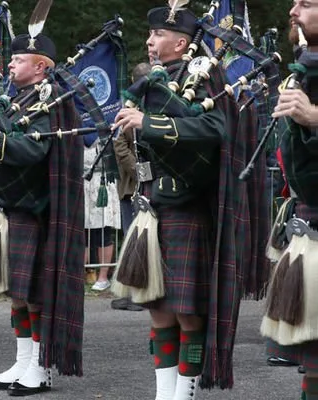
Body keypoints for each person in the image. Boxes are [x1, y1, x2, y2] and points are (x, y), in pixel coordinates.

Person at [113, 5, 244, 398]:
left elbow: (213, 126)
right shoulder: (153, 81)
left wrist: (146, 123)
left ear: (181, 42)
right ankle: (164, 393)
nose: (149, 42)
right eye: (150, 35)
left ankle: (184, 394)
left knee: (187, 310)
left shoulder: (201, 75)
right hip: (151, 203)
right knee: (158, 306)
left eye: (157, 35)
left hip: (186, 202)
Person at [0, 32, 85, 395]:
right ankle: (22, 361)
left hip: (38, 209)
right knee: (16, 291)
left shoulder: (51, 101)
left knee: (34, 292)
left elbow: (31, 152)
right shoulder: (16, 97)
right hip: (10, 203)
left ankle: (41, 366)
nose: (9, 64)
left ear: (40, 67)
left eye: (18, 60)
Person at [260, 2, 318, 399]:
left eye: (306, 3)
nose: (293, 10)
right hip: (308, 221)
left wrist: (314, 118)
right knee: (312, 361)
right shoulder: (304, 68)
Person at [110, 62, 151, 311]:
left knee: (146, 241)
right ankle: (131, 291)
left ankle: (144, 293)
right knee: (130, 240)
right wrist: (137, 168)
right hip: (131, 187)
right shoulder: (129, 108)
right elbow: (119, 144)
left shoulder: (161, 108)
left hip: (154, 188)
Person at [83, 139, 122, 291]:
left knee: (103, 232)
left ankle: (103, 277)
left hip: (102, 182)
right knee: (81, 233)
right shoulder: (75, 121)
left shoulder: (107, 121)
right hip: (81, 181)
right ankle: (78, 276)